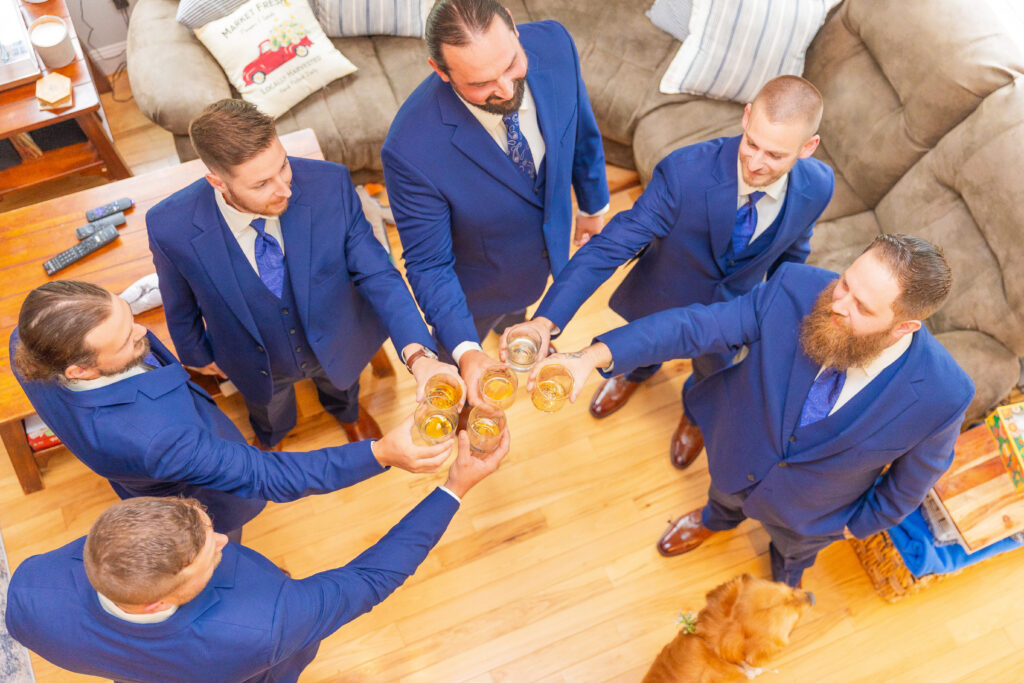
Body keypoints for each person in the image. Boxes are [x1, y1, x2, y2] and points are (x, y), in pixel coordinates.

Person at [531, 235, 974, 586]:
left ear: (906, 327)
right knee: (722, 499)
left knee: (792, 557)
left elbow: (909, 485)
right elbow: (698, 326)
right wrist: (594, 355)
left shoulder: (945, 394)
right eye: (845, 284)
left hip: (813, 518)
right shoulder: (795, 289)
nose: (838, 305)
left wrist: (852, 527)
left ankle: (787, 575)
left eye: (862, 307)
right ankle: (712, 523)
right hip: (736, 456)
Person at [502, 75, 834, 468]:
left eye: (775, 155)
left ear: (808, 147)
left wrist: (774, 315)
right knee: (642, 349)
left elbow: (793, 252)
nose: (757, 163)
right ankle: (633, 375)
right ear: (746, 118)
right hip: (663, 296)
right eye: (752, 144)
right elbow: (612, 245)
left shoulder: (819, 187)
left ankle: (695, 417)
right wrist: (545, 321)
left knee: (713, 374)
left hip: (732, 315)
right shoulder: (685, 172)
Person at [6, 428, 507, 682]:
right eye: (208, 554)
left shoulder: (28, 593)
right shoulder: (263, 626)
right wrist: (454, 488)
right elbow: (371, 578)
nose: (225, 539)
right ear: (156, 603)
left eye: (206, 524)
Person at [11, 281, 455, 542]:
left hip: (144, 468)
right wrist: (380, 454)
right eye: (127, 340)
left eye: (130, 319)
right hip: (203, 501)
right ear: (80, 368)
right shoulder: (160, 439)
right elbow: (268, 475)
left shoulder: (23, 340)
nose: (144, 333)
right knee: (218, 545)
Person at [147, 99, 460, 449]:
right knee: (268, 407)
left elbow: (379, 275)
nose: (284, 189)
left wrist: (420, 357)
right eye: (262, 184)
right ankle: (273, 436)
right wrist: (196, 355)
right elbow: (178, 301)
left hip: (336, 338)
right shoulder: (168, 226)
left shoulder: (331, 184)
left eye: (283, 165)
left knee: (343, 386)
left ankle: (348, 415)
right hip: (254, 357)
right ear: (217, 182)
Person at [381, 0, 610, 403]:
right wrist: (467, 353)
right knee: (462, 362)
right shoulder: (409, 149)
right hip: (475, 292)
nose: (505, 89)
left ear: (515, 30)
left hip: (546, 257)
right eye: (480, 83)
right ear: (441, 71)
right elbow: (429, 265)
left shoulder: (555, 43)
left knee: (517, 314)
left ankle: (514, 329)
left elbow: (581, 132)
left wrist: (593, 207)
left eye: (511, 65)